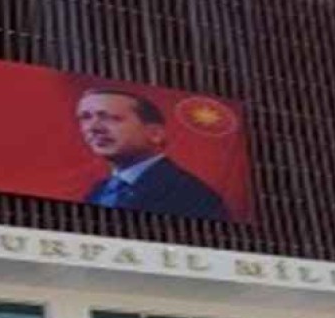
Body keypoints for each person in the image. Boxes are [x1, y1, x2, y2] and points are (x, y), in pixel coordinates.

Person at [76, 88, 227, 220]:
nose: (93, 128)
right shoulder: (99, 190)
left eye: (110, 117)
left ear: (155, 134)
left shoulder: (192, 195)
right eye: (85, 117)